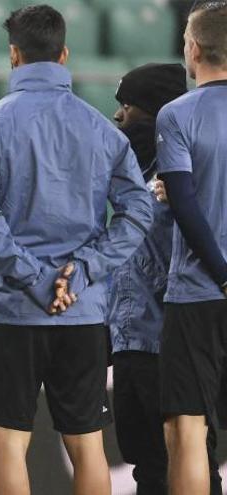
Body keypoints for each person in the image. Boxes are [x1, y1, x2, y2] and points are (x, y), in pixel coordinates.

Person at [0, 5, 153, 495]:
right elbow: (137, 212)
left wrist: (31, 276)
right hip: (82, 311)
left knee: (7, 443)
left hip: (12, 309)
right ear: (65, 54)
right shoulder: (103, 131)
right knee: (87, 444)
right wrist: (84, 271)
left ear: (13, 56)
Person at [107, 62, 224, 495]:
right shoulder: (132, 173)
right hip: (131, 338)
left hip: (168, 333)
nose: (119, 116)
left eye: (129, 106)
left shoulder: (182, 175)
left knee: (185, 453)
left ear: (156, 112)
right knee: (148, 465)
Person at [156, 3, 227, 494]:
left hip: (198, 292)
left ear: (194, 49)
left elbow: (182, 201)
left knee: (188, 428)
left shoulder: (177, 114)